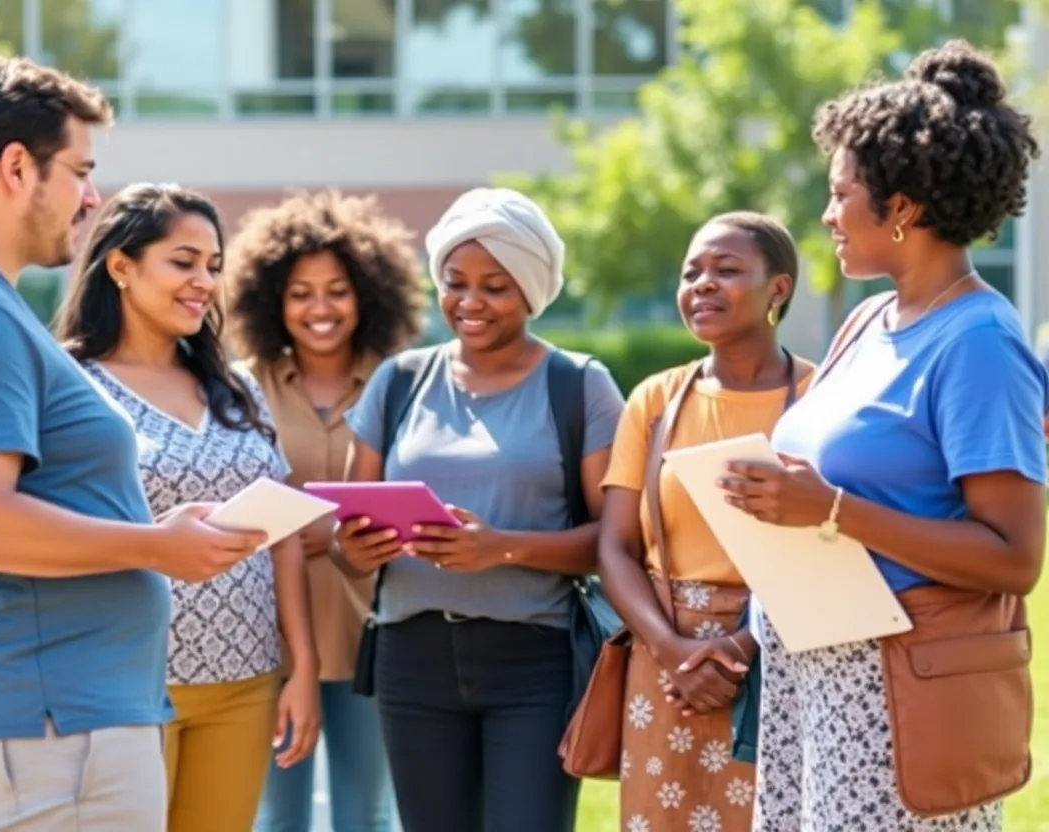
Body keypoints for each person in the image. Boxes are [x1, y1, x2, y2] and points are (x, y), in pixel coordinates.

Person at [0, 58, 266, 831]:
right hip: (41, 723)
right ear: (16, 167)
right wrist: (158, 547)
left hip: (45, 721)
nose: (91, 196)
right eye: (80, 170)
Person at [717, 40, 1046, 831]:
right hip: (811, 673)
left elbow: (1015, 556)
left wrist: (830, 509)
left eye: (841, 195)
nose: (827, 216)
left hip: (898, 685)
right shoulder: (868, 321)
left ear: (901, 209)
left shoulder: (979, 343)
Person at [333, 187, 626, 832]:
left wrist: (502, 547)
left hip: (535, 662)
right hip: (412, 658)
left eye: (495, 286)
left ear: (531, 289)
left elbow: (615, 541)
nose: (469, 302)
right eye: (454, 283)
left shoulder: (580, 385)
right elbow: (347, 542)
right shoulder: (398, 381)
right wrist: (351, 549)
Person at [55, 183, 321, 832]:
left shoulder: (236, 386)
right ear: (121, 266)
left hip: (246, 681)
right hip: (127, 683)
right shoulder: (68, 384)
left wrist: (303, 667)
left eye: (213, 264)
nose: (204, 281)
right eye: (183, 261)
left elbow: (282, 535)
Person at [599, 212, 814, 832]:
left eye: (726, 269)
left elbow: (832, 541)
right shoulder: (655, 400)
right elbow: (616, 548)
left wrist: (741, 648)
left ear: (779, 288)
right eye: (691, 272)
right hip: (665, 660)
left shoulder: (823, 398)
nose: (702, 284)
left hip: (786, 653)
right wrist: (675, 652)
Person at [225, 189, 425, 832]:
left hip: (372, 631)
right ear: (271, 300)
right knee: (275, 819)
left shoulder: (403, 383)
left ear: (366, 295)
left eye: (337, 291)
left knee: (366, 816)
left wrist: (315, 527)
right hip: (267, 635)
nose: (320, 309)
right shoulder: (240, 387)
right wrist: (320, 527)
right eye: (301, 293)